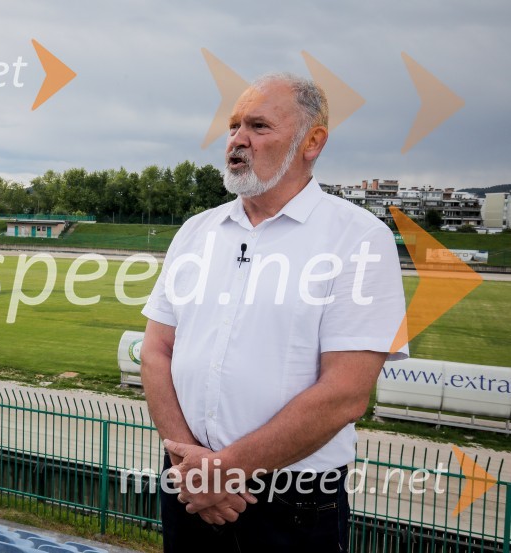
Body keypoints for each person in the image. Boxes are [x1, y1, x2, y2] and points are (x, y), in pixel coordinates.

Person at [140, 72, 408, 552]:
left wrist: (224, 469)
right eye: (234, 125)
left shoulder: (358, 239)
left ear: (312, 141)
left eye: (259, 126)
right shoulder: (196, 233)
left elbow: (345, 394)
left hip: (293, 504)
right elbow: (156, 351)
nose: (238, 140)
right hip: (187, 485)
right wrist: (191, 467)